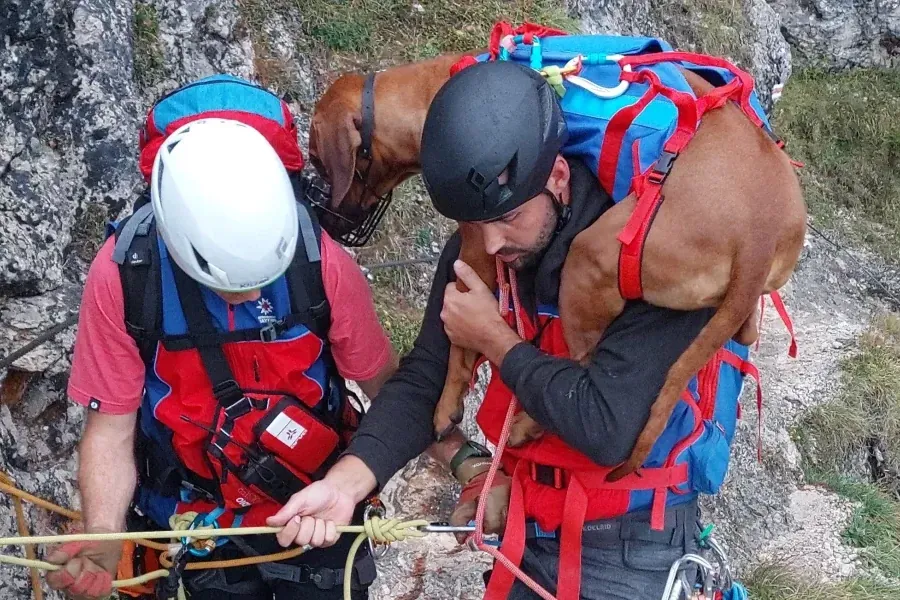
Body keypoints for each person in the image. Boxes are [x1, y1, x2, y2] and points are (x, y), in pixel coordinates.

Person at [265, 60, 745, 600]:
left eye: (508, 218)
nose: (490, 245)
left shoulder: (654, 260)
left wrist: (496, 340)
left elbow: (609, 429)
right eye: (473, 224)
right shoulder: (488, 241)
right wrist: (346, 482)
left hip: (631, 553)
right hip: (526, 530)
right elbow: (426, 375)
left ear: (558, 178)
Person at [45, 118, 400, 600]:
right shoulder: (126, 277)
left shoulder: (321, 264)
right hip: (194, 523)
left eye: (260, 278)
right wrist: (106, 535)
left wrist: (458, 458)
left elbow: (392, 393)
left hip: (315, 509)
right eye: (229, 285)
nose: (251, 294)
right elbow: (111, 429)